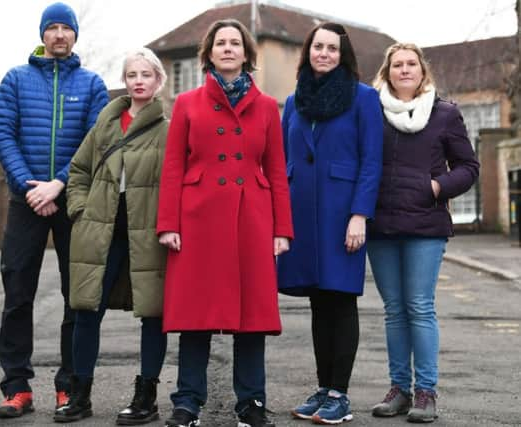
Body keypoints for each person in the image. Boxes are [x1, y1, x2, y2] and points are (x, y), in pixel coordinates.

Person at [156, 19, 293, 427]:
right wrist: (169, 222)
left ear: (247, 53)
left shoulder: (268, 106)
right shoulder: (186, 103)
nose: (228, 48)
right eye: (221, 43)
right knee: (195, 315)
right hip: (198, 218)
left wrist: (281, 229)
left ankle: (251, 404)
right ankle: (187, 402)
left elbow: (277, 172)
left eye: (236, 43)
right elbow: (173, 167)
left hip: (252, 217)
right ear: (209, 53)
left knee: (252, 318)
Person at [0, 2, 109, 419]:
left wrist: (59, 183)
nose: (59, 34)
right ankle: (17, 387)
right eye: (52, 27)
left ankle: (68, 386)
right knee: (17, 292)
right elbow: (3, 134)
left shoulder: (93, 84)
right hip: (26, 201)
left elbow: (96, 140)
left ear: (75, 35)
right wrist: (31, 187)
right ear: (42, 34)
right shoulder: (15, 80)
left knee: (75, 296)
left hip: (72, 199)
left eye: (66, 28)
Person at [53, 47, 169, 425]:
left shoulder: (168, 129)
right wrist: (80, 212)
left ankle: (145, 396)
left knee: (152, 314)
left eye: (146, 75)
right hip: (100, 232)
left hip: (147, 234)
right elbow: (79, 169)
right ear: (125, 80)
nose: (138, 81)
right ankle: (79, 394)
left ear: (158, 81)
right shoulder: (105, 123)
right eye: (132, 74)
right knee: (86, 309)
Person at [276, 22, 383, 425]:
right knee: (318, 302)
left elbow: (372, 161)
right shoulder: (294, 100)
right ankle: (323, 388)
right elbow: (285, 160)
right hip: (303, 211)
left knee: (340, 299)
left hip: (342, 213)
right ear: (309, 52)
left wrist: (360, 214)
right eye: (318, 47)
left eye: (332, 49)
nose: (324, 53)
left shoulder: (363, 98)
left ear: (343, 55)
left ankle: (340, 393)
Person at [366, 43, 479, 423]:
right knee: (394, 311)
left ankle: (426, 393)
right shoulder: (373, 111)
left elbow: (467, 166)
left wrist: (436, 188)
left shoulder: (445, 113)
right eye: (396, 64)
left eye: (411, 63)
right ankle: (399, 389)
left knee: (419, 307)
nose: (404, 70)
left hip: (425, 227)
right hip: (380, 225)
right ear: (388, 71)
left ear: (421, 70)